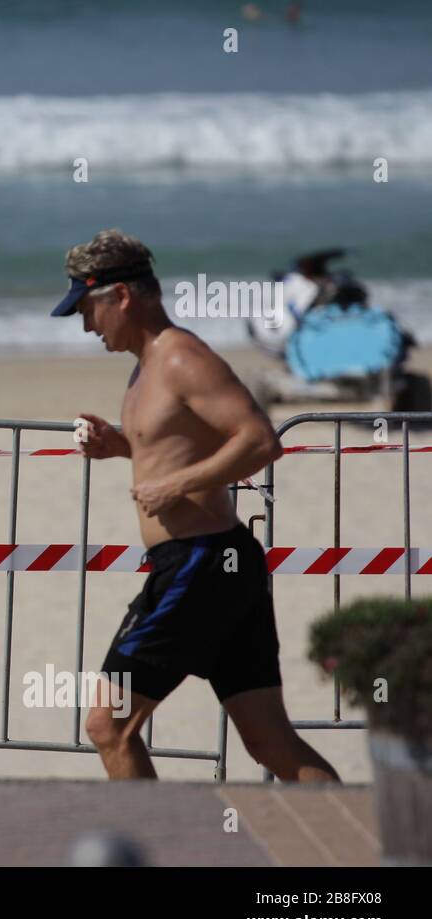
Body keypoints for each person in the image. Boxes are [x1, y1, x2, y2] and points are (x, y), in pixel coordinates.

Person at [52, 230, 339, 783]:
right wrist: (120, 446)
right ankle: (362, 847)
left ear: (123, 297)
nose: (88, 326)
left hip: (200, 564)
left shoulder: (181, 358)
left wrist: (175, 484)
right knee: (269, 742)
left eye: (89, 310)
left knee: (109, 725)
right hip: (217, 566)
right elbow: (180, 447)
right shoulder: (146, 366)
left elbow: (260, 440)